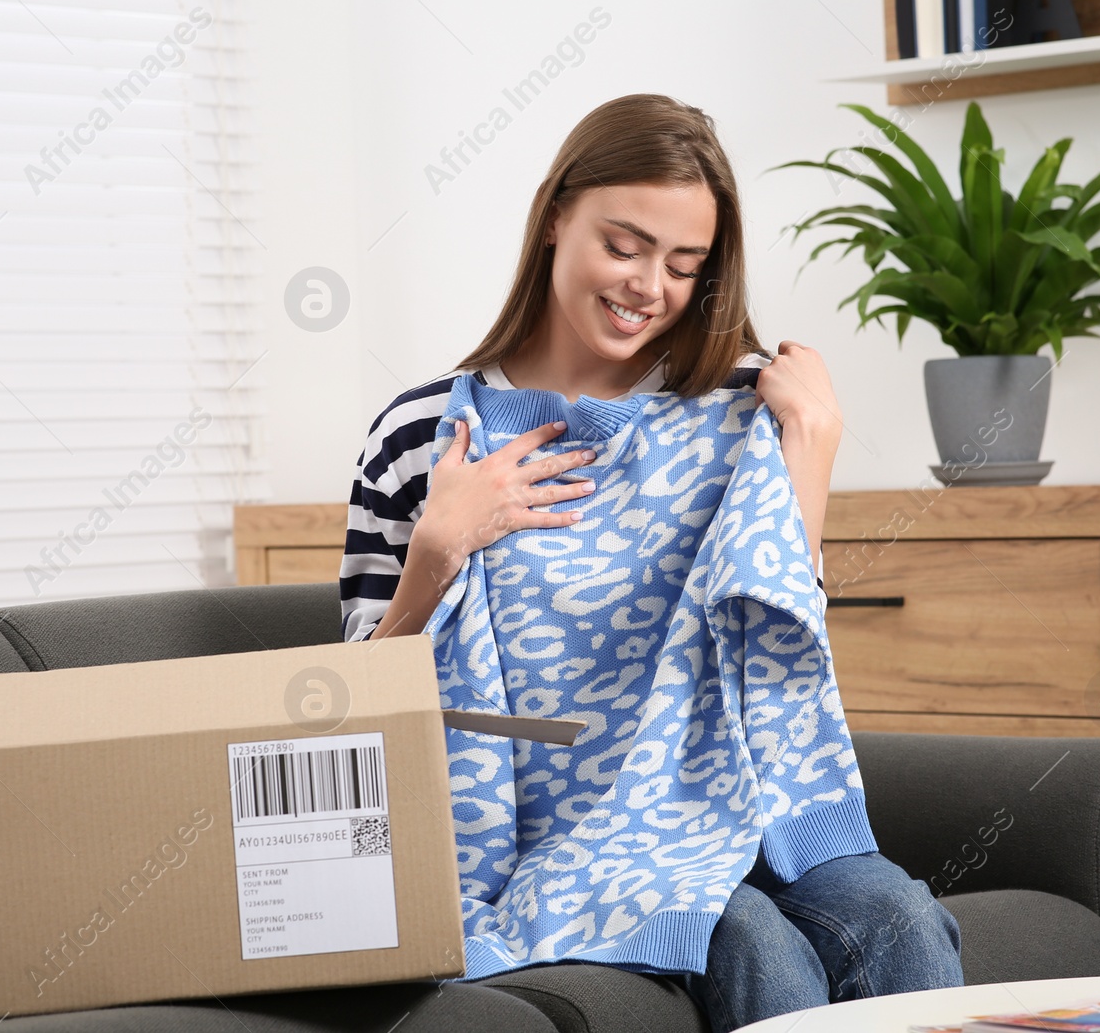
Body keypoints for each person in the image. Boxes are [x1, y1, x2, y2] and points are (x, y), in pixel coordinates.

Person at [340, 93, 963, 1031]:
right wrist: (437, 550)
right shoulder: (422, 434)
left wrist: (814, 445)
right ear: (556, 216)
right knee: (746, 932)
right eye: (623, 246)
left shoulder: (735, 410)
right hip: (556, 834)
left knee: (903, 918)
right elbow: (348, 719)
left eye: (683, 264)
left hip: (742, 798)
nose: (648, 287)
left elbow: (775, 629)